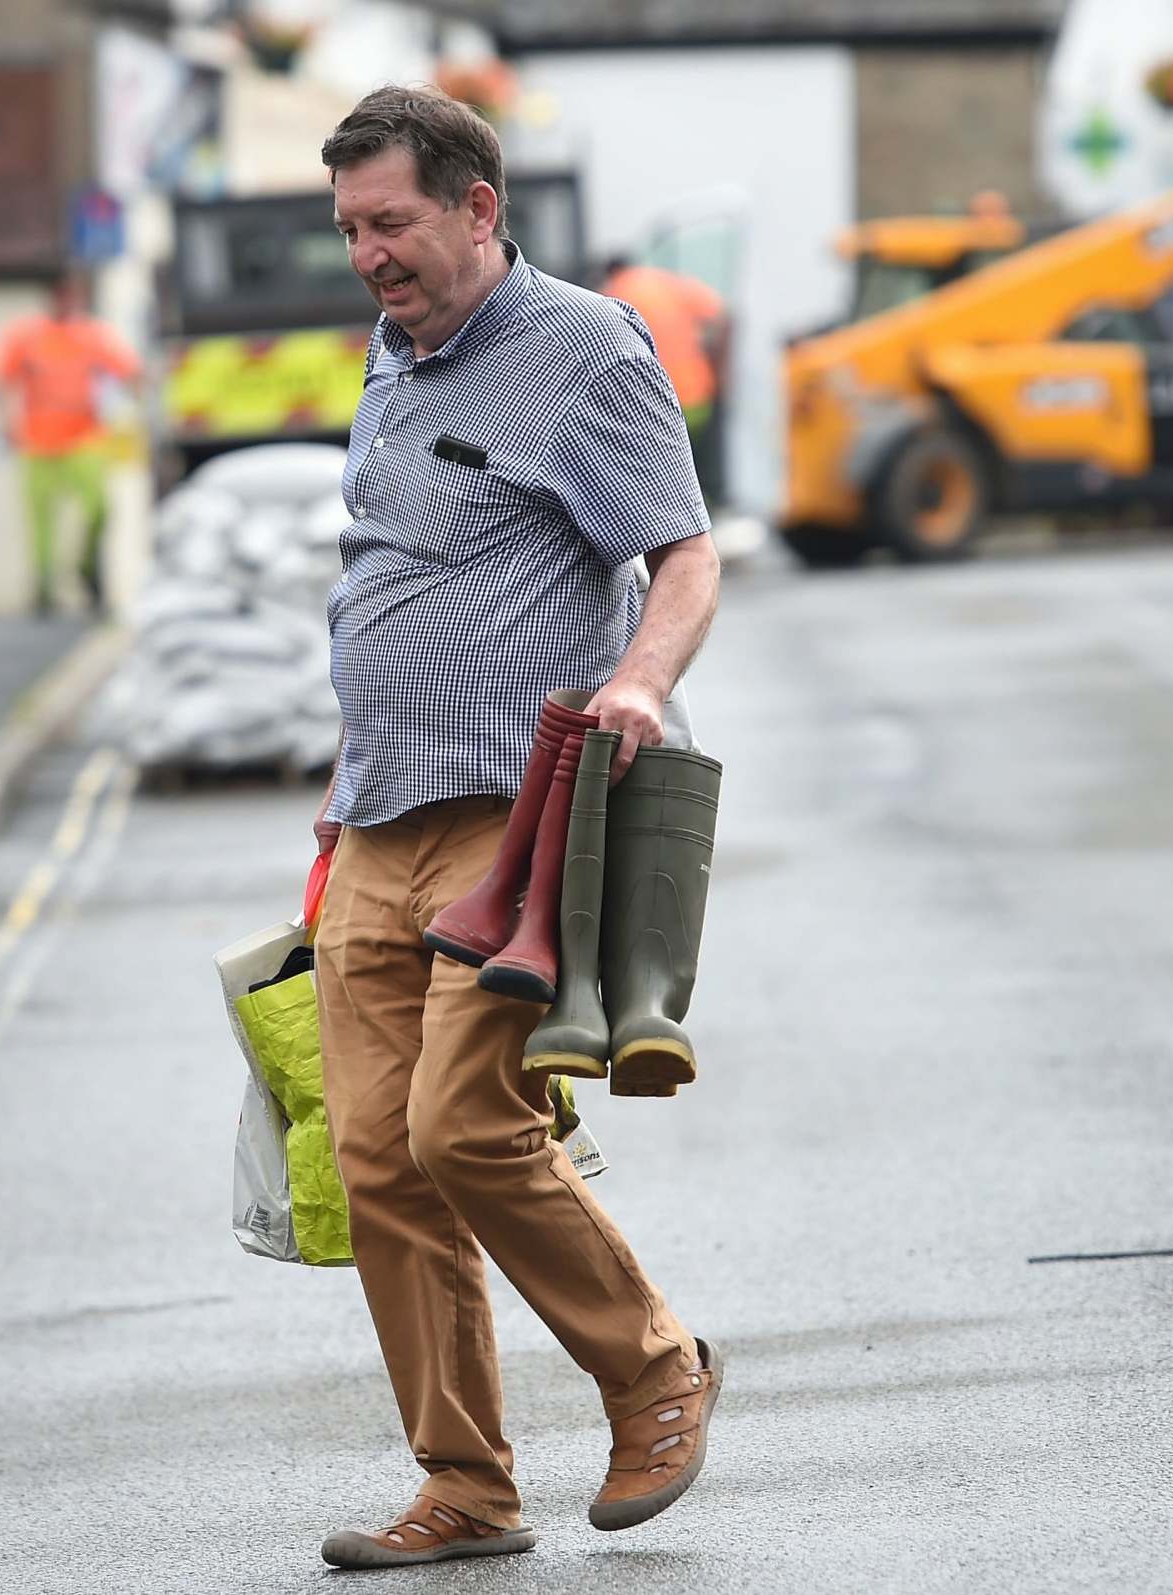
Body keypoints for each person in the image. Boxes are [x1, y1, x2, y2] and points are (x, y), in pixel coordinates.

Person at [306, 86, 723, 1571]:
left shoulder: (583, 348)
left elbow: (680, 551)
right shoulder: (393, 353)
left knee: (461, 1122)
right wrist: (355, 748)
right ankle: (467, 1486)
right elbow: (400, 571)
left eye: (392, 222)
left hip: (518, 817)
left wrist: (637, 679)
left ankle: (652, 1360)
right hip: (376, 813)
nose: (368, 254)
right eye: (351, 227)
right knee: (372, 1158)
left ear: (476, 207)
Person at [0, 270, 142, 616]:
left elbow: (130, 373)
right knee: (41, 521)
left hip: (84, 438)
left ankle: (86, 569)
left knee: (99, 508)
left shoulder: (92, 335)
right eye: (62, 295)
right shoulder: (25, 336)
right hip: (37, 442)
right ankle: (43, 588)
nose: (68, 301)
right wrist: (1, 424)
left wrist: (136, 398)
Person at [599, 252, 728, 506]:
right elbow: (722, 316)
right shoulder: (668, 282)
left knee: (668, 482)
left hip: (656, 402)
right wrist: (721, 372)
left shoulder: (610, 294)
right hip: (699, 392)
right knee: (699, 472)